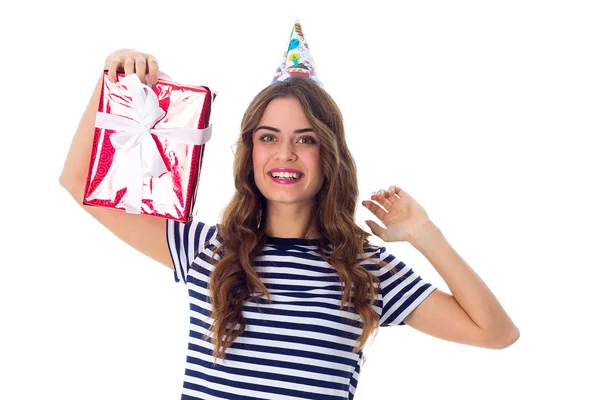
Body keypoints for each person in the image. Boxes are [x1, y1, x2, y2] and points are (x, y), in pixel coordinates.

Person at [59, 22, 519, 400]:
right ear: (250, 153)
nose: (285, 153)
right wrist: (112, 83)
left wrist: (426, 235)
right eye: (268, 137)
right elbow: (78, 183)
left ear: (330, 154)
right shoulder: (205, 248)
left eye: (306, 139)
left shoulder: (365, 269)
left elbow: (496, 333)